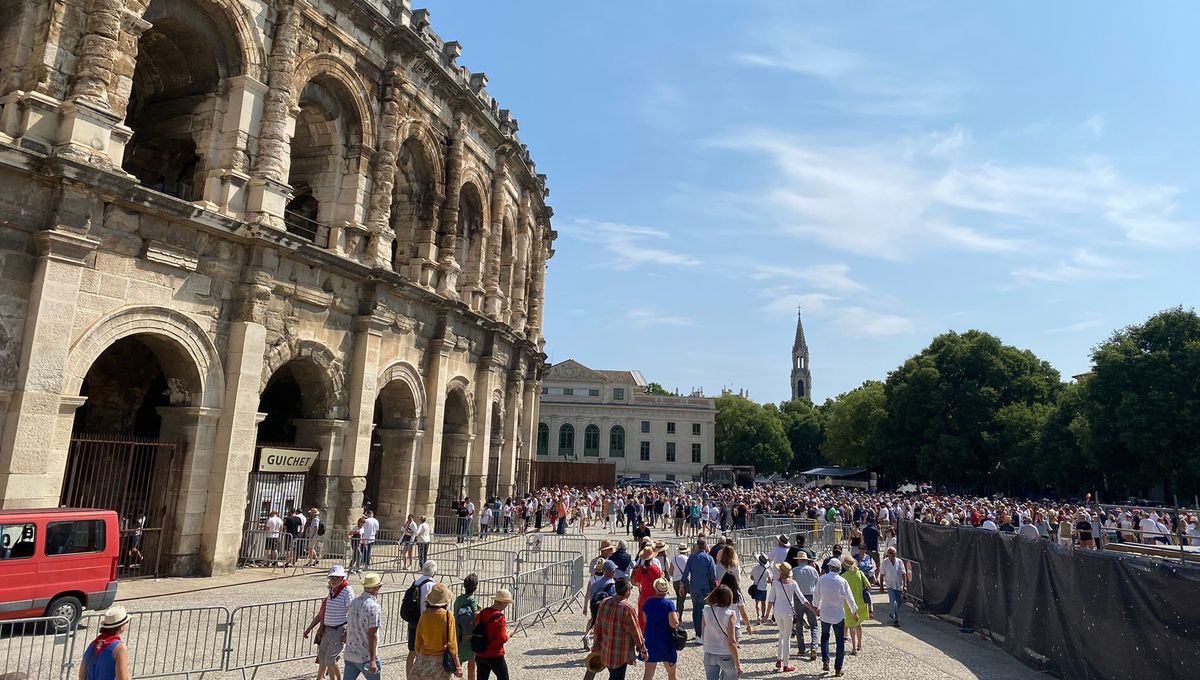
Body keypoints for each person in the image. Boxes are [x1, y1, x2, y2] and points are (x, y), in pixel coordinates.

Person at [304, 565, 354, 680]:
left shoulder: (347, 591)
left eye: (336, 578)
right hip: (328, 629)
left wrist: (347, 632)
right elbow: (322, 614)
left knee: (330, 660)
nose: (333, 580)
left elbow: (351, 612)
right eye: (332, 578)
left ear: (342, 578)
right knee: (323, 657)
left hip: (338, 629)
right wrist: (309, 628)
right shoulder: (332, 591)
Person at [592, 578, 647, 680]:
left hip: (606, 650)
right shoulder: (627, 608)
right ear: (627, 592)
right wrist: (642, 649)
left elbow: (598, 626)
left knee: (613, 676)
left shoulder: (604, 602)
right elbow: (635, 631)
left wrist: (596, 645)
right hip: (620, 654)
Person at [767, 562, 814, 672]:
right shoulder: (793, 583)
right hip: (787, 612)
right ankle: (786, 664)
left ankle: (779, 659)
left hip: (777, 611)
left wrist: (766, 614)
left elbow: (771, 599)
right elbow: (802, 599)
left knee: (781, 635)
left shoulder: (776, 583)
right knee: (787, 637)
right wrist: (812, 608)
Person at [814, 561, 857, 677]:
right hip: (838, 614)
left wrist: (816, 606)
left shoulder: (822, 579)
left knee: (824, 638)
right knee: (840, 642)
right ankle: (838, 669)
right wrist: (854, 611)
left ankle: (826, 660)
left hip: (825, 613)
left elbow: (816, 594)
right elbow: (849, 597)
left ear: (829, 567)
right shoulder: (842, 581)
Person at [411, 583, 464, 679]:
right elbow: (452, 644)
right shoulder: (448, 616)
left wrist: (419, 656)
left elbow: (418, 641)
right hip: (440, 662)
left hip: (424, 659)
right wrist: (457, 665)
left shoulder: (424, 615)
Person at [344, 572, 383, 680]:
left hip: (351, 653)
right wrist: (373, 660)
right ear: (376, 588)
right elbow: (373, 635)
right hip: (365, 656)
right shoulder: (374, 607)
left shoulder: (353, 603)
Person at [700, 585, 742, 680]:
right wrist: (738, 664)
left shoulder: (706, 610)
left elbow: (703, 634)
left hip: (709, 651)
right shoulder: (730, 615)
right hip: (725, 653)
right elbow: (731, 641)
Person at [405, 561, 440, 677]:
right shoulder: (431, 586)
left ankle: (409, 677)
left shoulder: (415, 583)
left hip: (413, 621)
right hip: (425, 623)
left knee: (412, 652)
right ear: (434, 573)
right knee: (424, 654)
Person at [79, 605, 132, 680]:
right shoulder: (120, 648)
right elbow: (122, 678)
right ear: (121, 626)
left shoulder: (94, 643)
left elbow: (82, 673)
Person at [642, 578, 680, 680]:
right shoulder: (669, 604)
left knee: (648, 674)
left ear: (655, 588)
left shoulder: (648, 602)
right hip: (666, 641)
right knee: (672, 675)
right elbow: (674, 624)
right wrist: (678, 617)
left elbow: (645, 619)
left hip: (651, 639)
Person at [681, 538, 719, 638]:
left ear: (697, 546)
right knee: (704, 611)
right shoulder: (709, 558)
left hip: (694, 588)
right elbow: (713, 576)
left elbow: (685, 574)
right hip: (706, 588)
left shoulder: (691, 558)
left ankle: (698, 633)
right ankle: (703, 633)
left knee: (696, 610)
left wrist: (682, 584)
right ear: (706, 546)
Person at [474, 588, 513, 680]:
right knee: (503, 677)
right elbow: (502, 639)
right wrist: (509, 634)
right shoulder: (500, 617)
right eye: (507, 603)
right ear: (503, 603)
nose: (507, 606)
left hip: (480, 651)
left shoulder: (483, 612)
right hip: (494, 654)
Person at [715, 545, 753, 635]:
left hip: (721, 588)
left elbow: (717, 577)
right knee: (739, 605)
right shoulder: (735, 565)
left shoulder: (719, 565)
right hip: (733, 587)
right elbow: (738, 578)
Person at [840, 556, 871, 655]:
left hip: (849, 604)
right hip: (861, 603)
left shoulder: (844, 576)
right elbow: (869, 586)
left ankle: (853, 648)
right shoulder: (860, 573)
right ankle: (859, 645)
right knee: (859, 624)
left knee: (851, 626)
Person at [792, 553, 820, 661]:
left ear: (799, 560)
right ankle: (814, 646)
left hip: (798, 598)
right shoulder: (813, 570)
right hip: (811, 597)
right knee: (814, 624)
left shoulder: (794, 571)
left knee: (799, 623)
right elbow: (818, 585)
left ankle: (801, 648)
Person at [453, 574, 480, 680]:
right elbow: (475, 616)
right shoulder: (472, 600)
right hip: (469, 634)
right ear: (476, 587)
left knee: (458, 658)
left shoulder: (459, 599)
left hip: (458, 630)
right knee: (471, 661)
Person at [633, 546, 664, 631]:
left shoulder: (640, 569)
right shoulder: (656, 569)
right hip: (654, 595)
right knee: (654, 617)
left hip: (643, 596)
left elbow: (636, 582)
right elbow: (661, 581)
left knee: (642, 619)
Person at [877, 547, 906, 626]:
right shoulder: (885, 562)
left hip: (898, 585)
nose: (892, 555)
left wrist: (905, 585)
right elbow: (882, 574)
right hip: (890, 585)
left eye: (893, 553)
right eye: (890, 553)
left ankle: (892, 612)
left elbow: (903, 573)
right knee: (893, 601)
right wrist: (881, 586)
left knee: (899, 602)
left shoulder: (899, 562)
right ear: (887, 554)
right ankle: (896, 619)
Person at [748, 553, 770, 624]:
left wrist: (756, 580)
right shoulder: (766, 570)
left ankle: (758, 616)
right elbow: (770, 580)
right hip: (763, 587)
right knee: (763, 602)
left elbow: (751, 577)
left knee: (757, 603)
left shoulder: (755, 568)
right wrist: (765, 581)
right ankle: (763, 615)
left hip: (756, 586)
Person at [669, 543, 689, 614]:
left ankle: (678, 616)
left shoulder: (674, 559)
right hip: (685, 581)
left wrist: (675, 575)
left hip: (676, 581)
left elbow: (670, 571)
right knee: (681, 601)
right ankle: (678, 617)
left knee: (679, 598)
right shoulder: (687, 559)